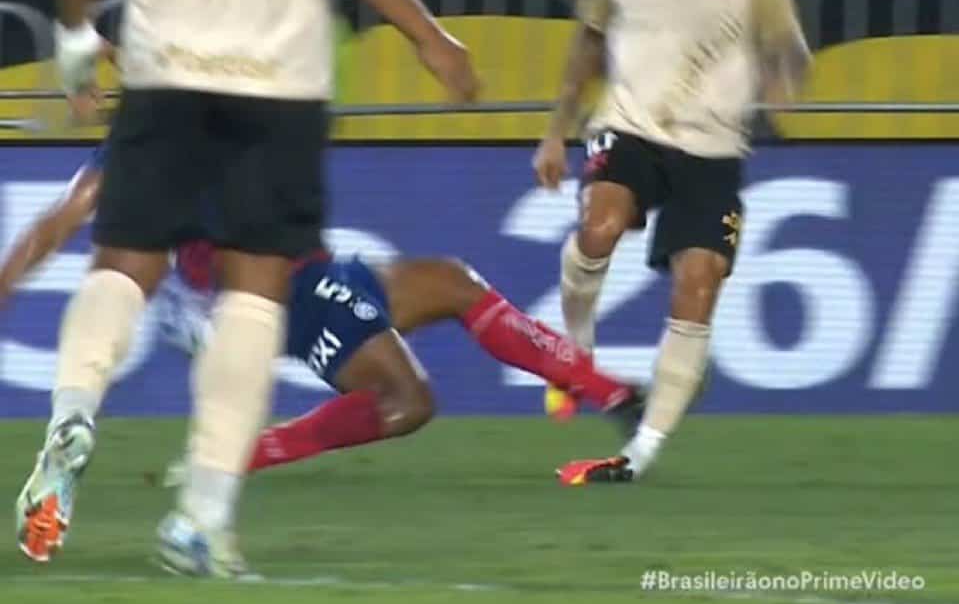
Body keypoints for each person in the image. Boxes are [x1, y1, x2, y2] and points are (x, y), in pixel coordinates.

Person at [17, 0, 477, 577]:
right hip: (278, 74)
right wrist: (428, 35)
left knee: (122, 264)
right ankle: (202, 518)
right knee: (255, 290)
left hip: (165, 63)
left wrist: (77, 32)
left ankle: (73, 415)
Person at [0, 143, 645, 488]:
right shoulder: (148, 141)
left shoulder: (229, 106)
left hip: (314, 265)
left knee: (454, 282)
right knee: (407, 401)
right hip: (278, 288)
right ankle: (243, 455)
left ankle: (609, 393)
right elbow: (61, 220)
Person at [532, 0, 809, 485]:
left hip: (711, 147)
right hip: (629, 127)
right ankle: (579, 354)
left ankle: (638, 453)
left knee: (697, 284)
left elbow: (789, 49)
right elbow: (587, 44)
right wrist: (554, 131)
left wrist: (782, 81)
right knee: (597, 228)